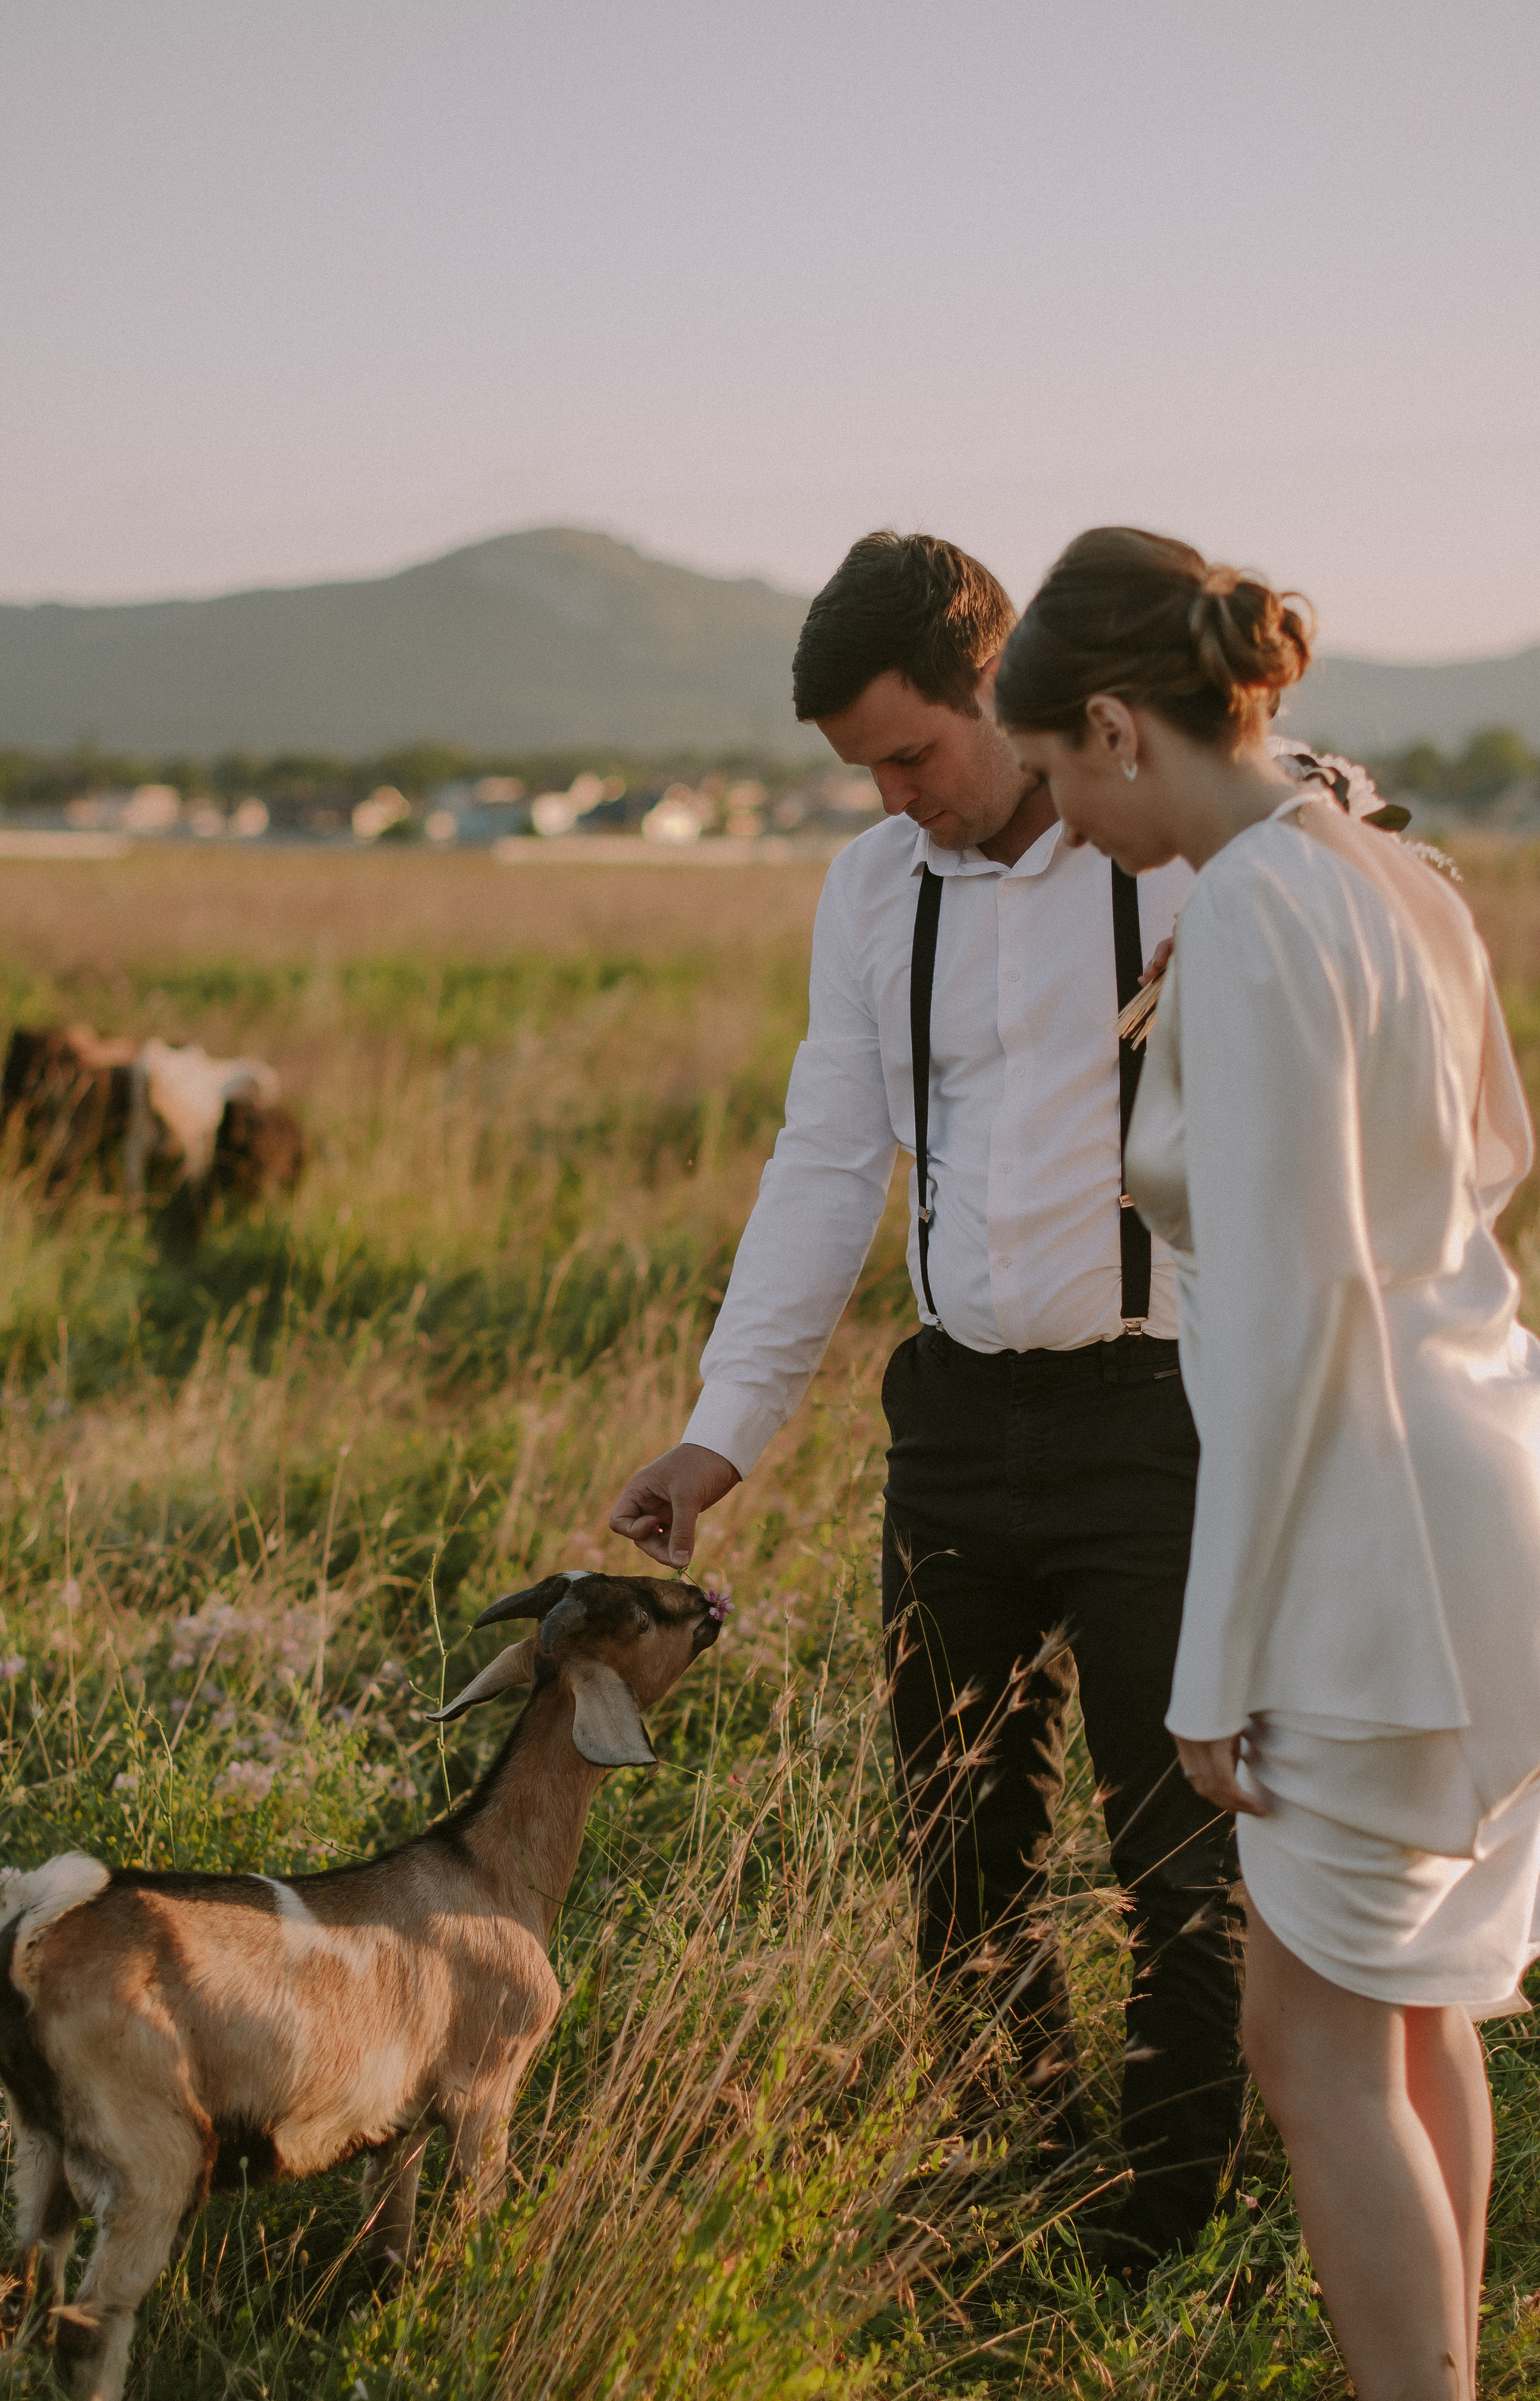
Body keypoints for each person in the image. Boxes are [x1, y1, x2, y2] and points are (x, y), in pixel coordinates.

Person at [994, 526, 1540, 2401]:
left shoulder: (1262, 910)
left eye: (1070, 780)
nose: (1071, 825)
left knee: (1308, 2029)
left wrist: (1210, 1665)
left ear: (1112, 719)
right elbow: (1495, 1152)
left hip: (1368, 1519)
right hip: (1498, 1457)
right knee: (1419, 1996)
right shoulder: (1380, 868)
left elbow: (1279, 1330)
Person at [609, 531, 1246, 2267]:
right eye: (861, 770)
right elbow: (825, 1163)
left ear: (1003, 691)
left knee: (1172, 1858)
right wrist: (720, 1431)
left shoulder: (1184, 865)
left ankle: (1165, 2228)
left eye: (914, 754)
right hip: (951, 1421)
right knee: (955, 1839)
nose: (894, 799)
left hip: (1162, 1418)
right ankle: (1007, 2162)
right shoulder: (869, 893)